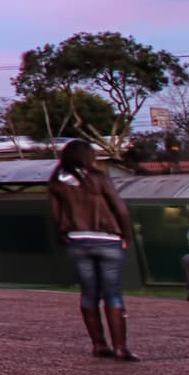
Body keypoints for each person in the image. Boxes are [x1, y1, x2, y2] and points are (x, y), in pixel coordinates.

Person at [48, 139, 139, 361]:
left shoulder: (56, 182)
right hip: (107, 239)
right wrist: (126, 236)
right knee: (113, 294)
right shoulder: (98, 178)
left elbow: (55, 215)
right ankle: (120, 348)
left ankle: (99, 344)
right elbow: (120, 209)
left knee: (89, 294)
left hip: (78, 241)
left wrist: (64, 236)